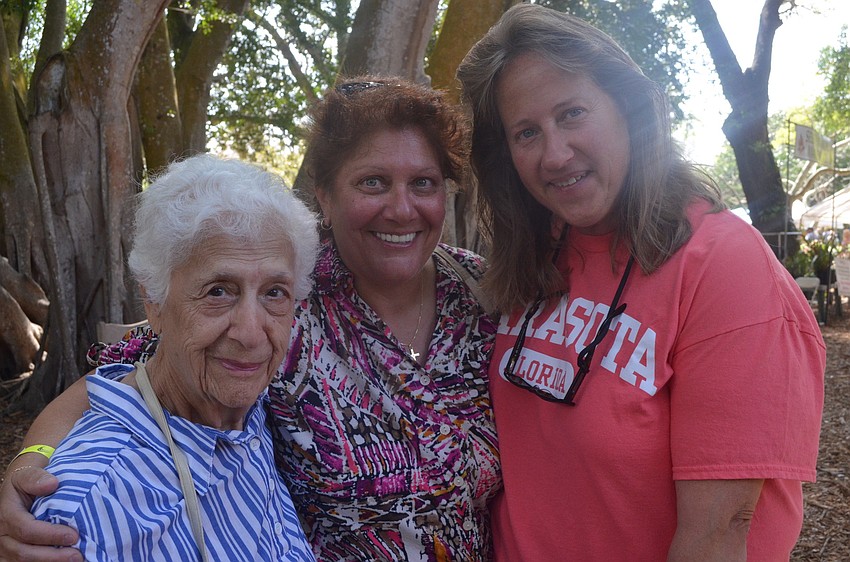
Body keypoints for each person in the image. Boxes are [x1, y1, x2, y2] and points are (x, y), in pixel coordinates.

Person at [0, 77, 501, 562]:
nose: (401, 207)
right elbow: (118, 384)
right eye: (373, 182)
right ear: (324, 195)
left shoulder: (482, 290)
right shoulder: (283, 294)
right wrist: (32, 467)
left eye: (424, 183)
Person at [455, 4, 824, 561]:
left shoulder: (723, 265)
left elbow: (719, 535)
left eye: (572, 113)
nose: (555, 154)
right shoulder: (537, 254)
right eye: (526, 132)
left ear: (629, 108)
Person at [27, 154, 318, 561]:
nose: (252, 334)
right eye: (219, 290)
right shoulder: (85, 514)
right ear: (154, 301)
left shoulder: (249, 407)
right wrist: (32, 460)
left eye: (274, 292)